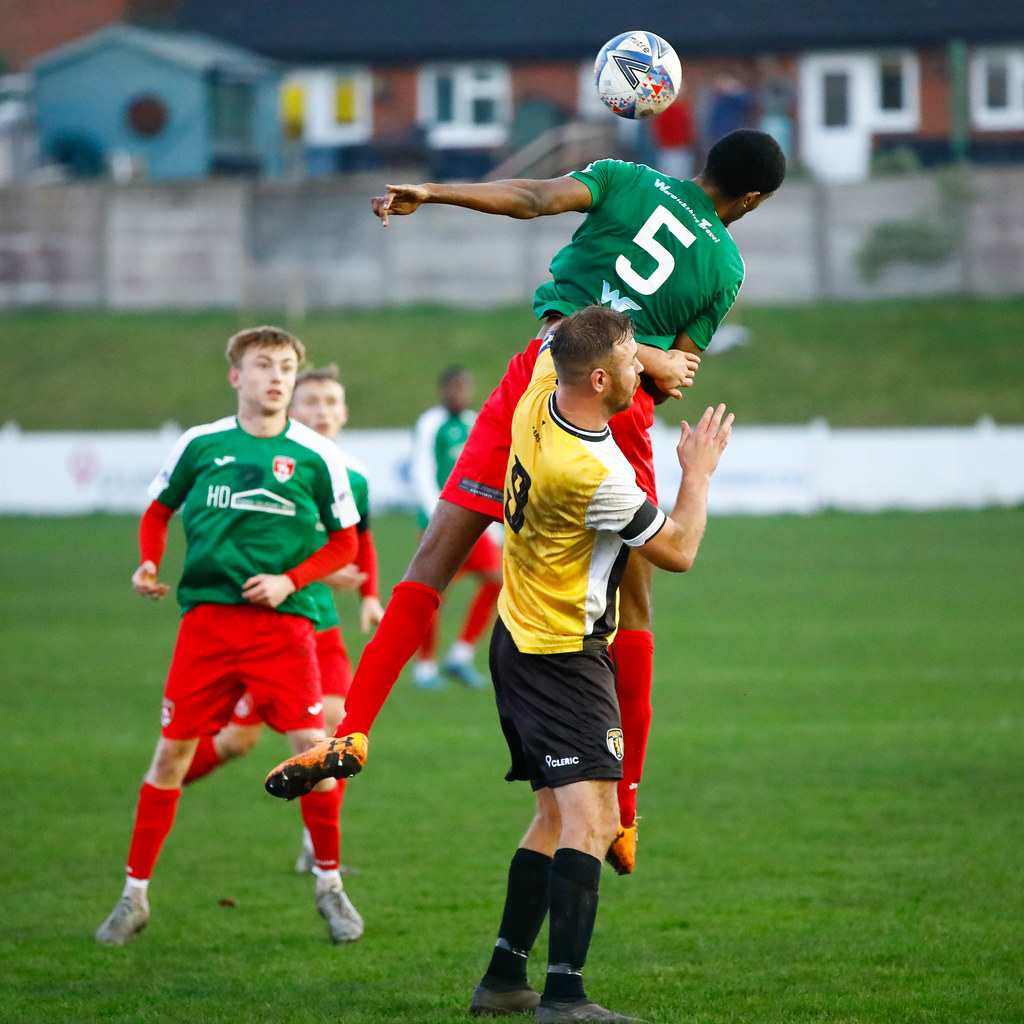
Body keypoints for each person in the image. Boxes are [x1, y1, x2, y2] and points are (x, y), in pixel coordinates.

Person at [265, 130, 785, 876]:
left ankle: (354, 729)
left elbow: (534, 199)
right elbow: (671, 376)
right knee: (632, 608)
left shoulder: (624, 177)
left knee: (434, 557)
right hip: (611, 415)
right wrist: (647, 357)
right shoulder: (726, 266)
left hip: (536, 374)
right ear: (754, 199)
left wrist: (432, 192)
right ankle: (628, 815)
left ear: (704, 163)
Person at [465, 307, 733, 1021]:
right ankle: (565, 996)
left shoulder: (537, 397)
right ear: (596, 377)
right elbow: (677, 551)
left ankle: (502, 981)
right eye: (628, 361)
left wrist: (623, 332)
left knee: (555, 819)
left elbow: (556, 333)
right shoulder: (588, 473)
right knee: (595, 818)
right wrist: (697, 473)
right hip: (562, 655)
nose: (638, 368)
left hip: (516, 638)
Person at [95, 327, 365, 947]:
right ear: (235, 376)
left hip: (285, 628)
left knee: (316, 757)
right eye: (263, 365)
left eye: (287, 368)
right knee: (170, 757)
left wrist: (289, 579)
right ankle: (133, 896)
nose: (277, 377)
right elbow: (160, 509)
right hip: (208, 626)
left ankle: (329, 886)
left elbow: (346, 541)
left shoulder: (317, 456)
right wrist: (147, 562)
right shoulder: (202, 443)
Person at [179, 364, 384, 882]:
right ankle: (169, 777)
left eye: (331, 402)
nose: (322, 411)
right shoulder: (278, 462)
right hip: (267, 626)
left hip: (321, 627)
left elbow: (360, 540)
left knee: (332, 741)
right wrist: (315, 570)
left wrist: (368, 594)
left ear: (344, 412)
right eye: (311, 402)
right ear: (293, 408)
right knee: (235, 743)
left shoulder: (353, 476)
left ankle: (316, 852)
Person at [410, 365, 501, 690]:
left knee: (498, 581)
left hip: (473, 521)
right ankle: (425, 666)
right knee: (433, 594)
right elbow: (421, 470)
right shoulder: (431, 424)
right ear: (444, 390)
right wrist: (436, 516)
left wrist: (491, 522)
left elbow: (485, 470)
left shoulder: (473, 421)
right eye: (454, 388)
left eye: (465, 388)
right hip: (440, 521)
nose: (460, 393)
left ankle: (460, 655)